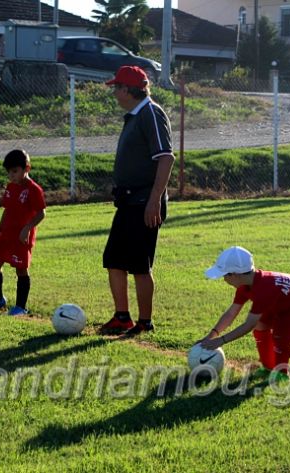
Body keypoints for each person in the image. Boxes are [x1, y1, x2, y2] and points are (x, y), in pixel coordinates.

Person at [99, 65, 175, 336]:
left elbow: (165, 157)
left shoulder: (151, 113)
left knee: (140, 265)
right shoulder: (134, 116)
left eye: (117, 88)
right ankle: (122, 317)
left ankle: (145, 322)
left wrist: (154, 200)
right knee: (114, 260)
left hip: (144, 201)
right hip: (128, 201)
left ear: (128, 90)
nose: (115, 94)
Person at [200, 246, 290, 377]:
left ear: (234, 274)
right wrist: (210, 336)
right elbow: (231, 314)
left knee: (280, 334)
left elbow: (248, 324)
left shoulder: (263, 290)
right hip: (282, 302)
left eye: (224, 276)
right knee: (261, 325)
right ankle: (268, 368)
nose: (224, 280)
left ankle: (281, 375)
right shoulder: (245, 286)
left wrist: (221, 341)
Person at [0, 149, 46, 315]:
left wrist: (27, 228)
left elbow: (41, 213)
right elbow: (7, 210)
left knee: (20, 270)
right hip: (7, 234)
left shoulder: (34, 190)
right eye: (9, 172)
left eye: (15, 171)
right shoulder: (11, 187)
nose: (11, 175)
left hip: (21, 237)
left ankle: (20, 307)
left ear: (27, 169)